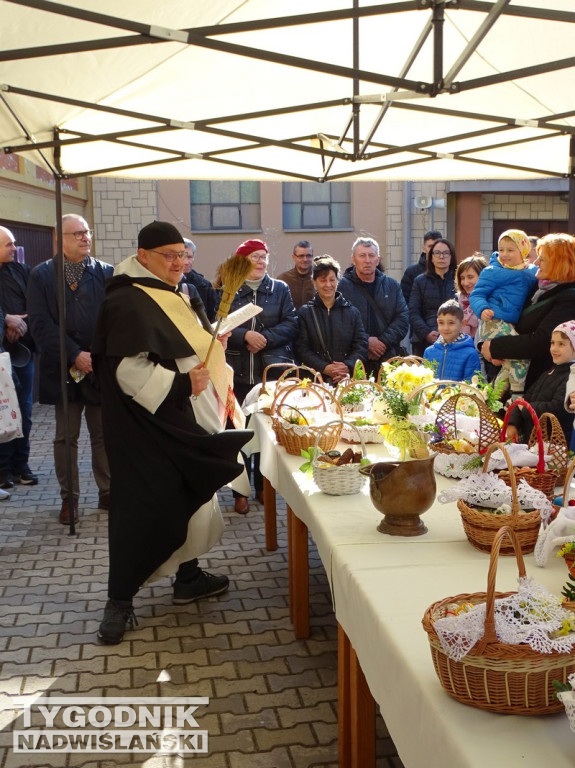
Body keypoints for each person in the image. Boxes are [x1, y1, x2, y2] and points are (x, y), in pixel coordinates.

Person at [92, 221, 252, 645]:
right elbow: (128, 370)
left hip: (182, 415)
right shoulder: (127, 299)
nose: (179, 263)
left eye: (183, 254)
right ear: (144, 255)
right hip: (145, 425)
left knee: (191, 489)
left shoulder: (169, 289)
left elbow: (182, 341)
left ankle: (187, 576)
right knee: (143, 505)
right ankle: (119, 601)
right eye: (170, 255)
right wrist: (184, 384)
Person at [27, 214, 112, 525]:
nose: (84, 238)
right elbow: (39, 323)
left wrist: (95, 355)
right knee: (66, 436)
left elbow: (113, 320)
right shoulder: (42, 275)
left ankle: (108, 491)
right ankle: (69, 499)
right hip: (62, 367)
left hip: (98, 367)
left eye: (87, 232)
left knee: (102, 434)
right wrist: (75, 353)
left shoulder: (105, 273)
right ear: (59, 239)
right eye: (77, 233)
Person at [224, 239, 297, 514]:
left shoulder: (280, 289)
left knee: (266, 434)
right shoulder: (228, 289)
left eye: (264, 257)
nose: (261, 261)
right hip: (237, 374)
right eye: (255, 256)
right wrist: (245, 337)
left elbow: (292, 322)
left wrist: (264, 338)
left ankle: (264, 489)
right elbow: (217, 325)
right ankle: (239, 492)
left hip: (269, 375)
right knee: (238, 434)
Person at [482, 233, 575, 393]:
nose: (536, 262)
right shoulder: (537, 287)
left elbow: (542, 341)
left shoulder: (569, 298)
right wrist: (488, 345)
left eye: (543, 259)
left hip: (537, 384)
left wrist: (495, 347)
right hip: (513, 372)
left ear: (559, 263)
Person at [470, 230, 538, 400]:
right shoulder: (493, 271)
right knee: (520, 355)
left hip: (509, 322)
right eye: (501, 250)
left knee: (509, 363)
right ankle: (517, 396)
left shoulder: (531, 271)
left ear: (523, 252)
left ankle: (491, 397)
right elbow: (477, 294)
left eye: (510, 250)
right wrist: (482, 309)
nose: (504, 254)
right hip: (494, 320)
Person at [338, 237, 408, 376]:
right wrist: (366, 342)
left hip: (388, 358)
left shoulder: (392, 285)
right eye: (362, 255)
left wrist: (382, 342)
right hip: (354, 359)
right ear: (353, 259)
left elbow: (403, 318)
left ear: (378, 259)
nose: (367, 260)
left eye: (371, 255)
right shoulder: (341, 287)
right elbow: (339, 322)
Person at [0, 226, 37, 489]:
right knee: (3, 412)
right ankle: (2, 470)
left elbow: (36, 302)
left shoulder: (21, 271)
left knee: (23, 410)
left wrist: (20, 324)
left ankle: (20, 464)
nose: (14, 248)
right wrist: (5, 320)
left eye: (13, 244)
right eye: (8, 245)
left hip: (22, 353)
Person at [295, 255, 368, 384]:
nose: (328, 285)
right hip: (315, 380)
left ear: (338, 281)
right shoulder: (305, 313)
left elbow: (361, 345)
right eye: (323, 280)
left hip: (346, 380)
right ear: (314, 282)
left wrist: (347, 366)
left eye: (332, 280)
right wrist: (324, 367)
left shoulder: (352, 312)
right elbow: (302, 348)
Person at [506, 321, 575, 446]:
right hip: (532, 441)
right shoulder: (549, 372)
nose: (554, 348)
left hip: (553, 447)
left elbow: (557, 409)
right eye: (552, 343)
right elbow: (523, 399)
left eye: (561, 344)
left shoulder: (571, 378)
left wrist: (526, 407)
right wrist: (513, 423)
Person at [408, 237, 457, 358]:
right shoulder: (420, 281)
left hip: (455, 340)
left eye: (446, 253)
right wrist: (427, 333)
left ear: (451, 256)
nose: (441, 257)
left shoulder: (458, 280)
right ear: (431, 257)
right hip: (424, 341)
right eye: (437, 253)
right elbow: (413, 312)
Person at [423, 300, 481, 381]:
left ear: (463, 323)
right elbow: (424, 383)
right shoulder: (429, 352)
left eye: (451, 323)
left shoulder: (470, 354)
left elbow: (471, 387)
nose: (445, 328)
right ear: (437, 322)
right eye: (441, 322)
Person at [400, 229, 442, 305]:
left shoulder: (451, 272)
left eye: (437, 246)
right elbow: (404, 302)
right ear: (424, 249)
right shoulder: (411, 273)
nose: (434, 250)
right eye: (430, 246)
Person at [182, 237, 218, 321]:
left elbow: (213, 317)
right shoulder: (164, 282)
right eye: (183, 257)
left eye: (190, 257)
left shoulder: (204, 285)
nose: (187, 262)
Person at [455, 252, 488, 339]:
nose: (465, 283)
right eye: (462, 278)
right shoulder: (457, 300)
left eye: (470, 277)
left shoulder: (491, 300)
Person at [277, 240, 315, 309]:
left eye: (308, 256)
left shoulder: (319, 278)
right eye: (301, 256)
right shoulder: (283, 280)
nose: (305, 259)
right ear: (293, 257)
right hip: (290, 319)